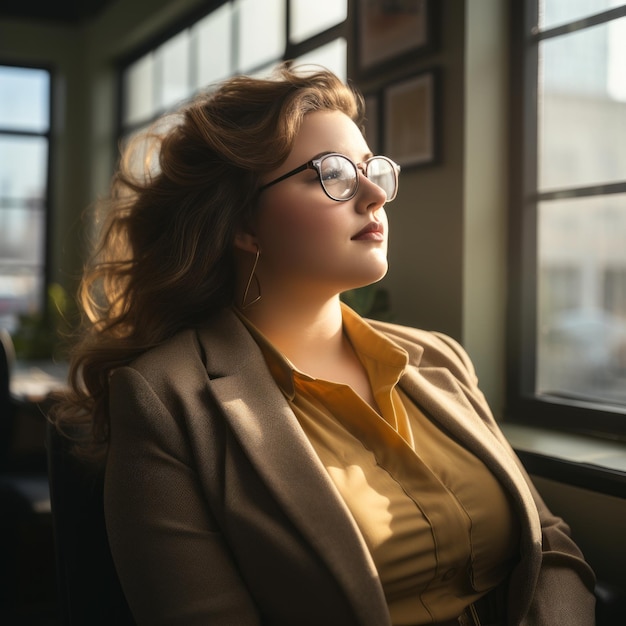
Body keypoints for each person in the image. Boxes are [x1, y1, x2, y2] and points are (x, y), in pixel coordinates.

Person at [52, 64, 596, 626]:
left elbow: (548, 539)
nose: (372, 195)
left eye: (372, 170)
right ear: (244, 224)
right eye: (332, 173)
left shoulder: (441, 358)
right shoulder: (164, 400)